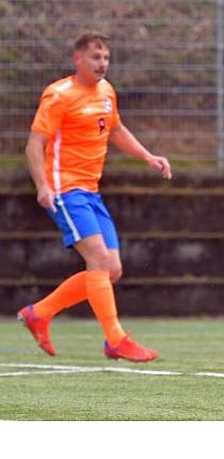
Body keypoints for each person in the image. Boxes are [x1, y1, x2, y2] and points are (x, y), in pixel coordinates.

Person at [18, 32, 171, 362]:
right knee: (99, 261)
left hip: (90, 191)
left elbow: (115, 129)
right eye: (95, 58)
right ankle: (115, 339)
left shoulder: (106, 92)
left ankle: (39, 313)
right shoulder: (59, 95)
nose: (102, 64)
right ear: (78, 59)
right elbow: (33, 145)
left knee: (111, 270)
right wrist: (42, 186)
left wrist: (147, 156)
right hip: (64, 190)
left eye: (106, 58)